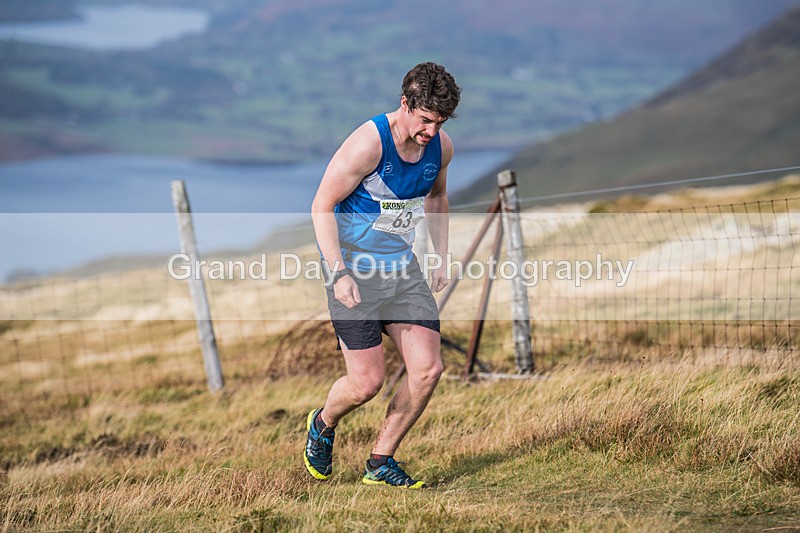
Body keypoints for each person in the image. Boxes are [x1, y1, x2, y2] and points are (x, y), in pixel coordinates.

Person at [304, 62, 461, 488]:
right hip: (353, 271)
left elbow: (439, 196)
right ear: (405, 104)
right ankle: (322, 423)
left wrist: (440, 256)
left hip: (403, 270)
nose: (431, 131)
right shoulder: (367, 144)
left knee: (427, 370)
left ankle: (380, 461)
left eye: (440, 122)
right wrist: (338, 272)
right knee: (365, 383)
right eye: (425, 119)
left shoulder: (440, 147)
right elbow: (322, 205)